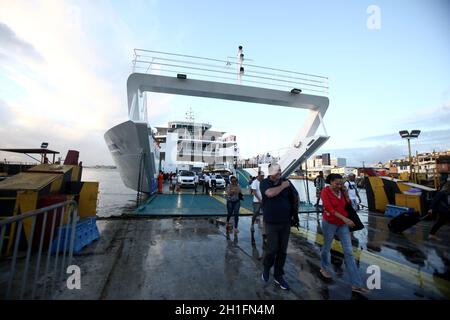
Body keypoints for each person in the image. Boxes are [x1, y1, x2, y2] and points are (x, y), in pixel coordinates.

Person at [319, 173, 368, 294]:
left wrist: (345, 193)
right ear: (330, 182)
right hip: (329, 223)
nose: (339, 185)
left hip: (342, 225)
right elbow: (329, 209)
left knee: (349, 252)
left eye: (341, 183)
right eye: (337, 183)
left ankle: (356, 284)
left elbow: (348, 206)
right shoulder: (325, 192)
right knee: (326, 247)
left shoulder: (341, 191)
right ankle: (323, 268)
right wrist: (345, 219)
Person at [260, 163, 299, 290]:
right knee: (272, 249)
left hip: (285, 222)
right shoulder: (265, 183)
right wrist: (283, 186)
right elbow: (270, 194)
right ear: (270, 172)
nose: (280, 172)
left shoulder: (286, 181)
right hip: (271, 222)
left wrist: (295, 213)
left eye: (280, 170)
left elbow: (296, 196)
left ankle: (278, 275)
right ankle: (266, 268)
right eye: (277, 171)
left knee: (282, 251)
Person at [250, 171, 266, 244]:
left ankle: (265, 229)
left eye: (263, 176)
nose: (263, 177)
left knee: (265, 214)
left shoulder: (264, 182)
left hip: (264, 201)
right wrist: (259, 200)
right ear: (258, 175)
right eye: (262, 176)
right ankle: (252, 224)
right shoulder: (255, 182)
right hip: (256, 201)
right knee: (256, 213)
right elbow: (254, 192)